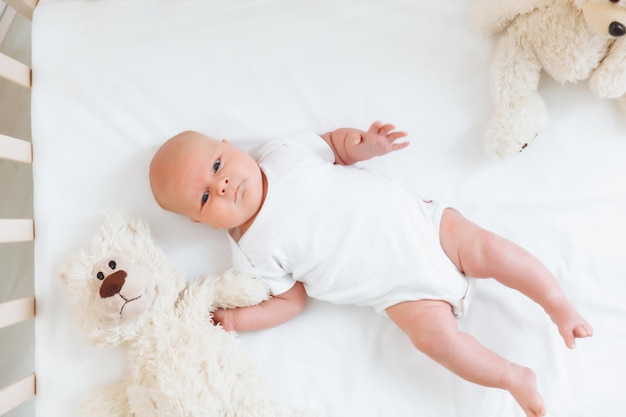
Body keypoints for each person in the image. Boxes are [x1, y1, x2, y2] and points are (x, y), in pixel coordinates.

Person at [149, 121, 593, 417]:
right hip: (399, 293)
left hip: (426, 229)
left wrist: (366, 145)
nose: (222, 185)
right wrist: (238, 319)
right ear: (199, 221)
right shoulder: (250, 253)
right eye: (205, 197)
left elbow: (334, 148)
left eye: (217, 166)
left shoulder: (282, 154)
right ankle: (512, 377)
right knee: (433, 340)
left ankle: (556, 303)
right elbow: (290, 301)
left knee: (489, 250)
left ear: (228, 147)